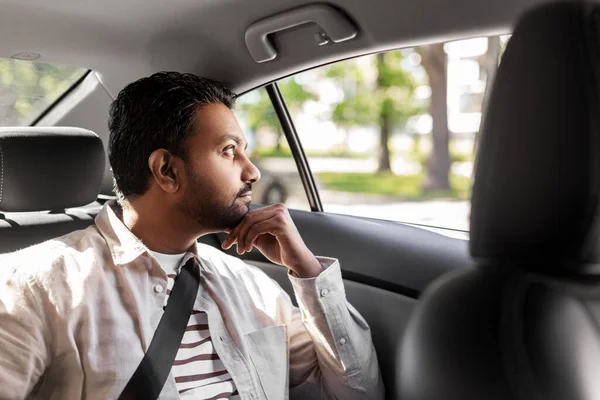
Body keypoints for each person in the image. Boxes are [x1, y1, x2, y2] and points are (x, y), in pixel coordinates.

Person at [0, 72, 384, 399]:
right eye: (229, 150)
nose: (253, 172)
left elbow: (358, 392)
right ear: (167, 170)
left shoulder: (251, 286)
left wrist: (306, 269)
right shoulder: (33, 286)